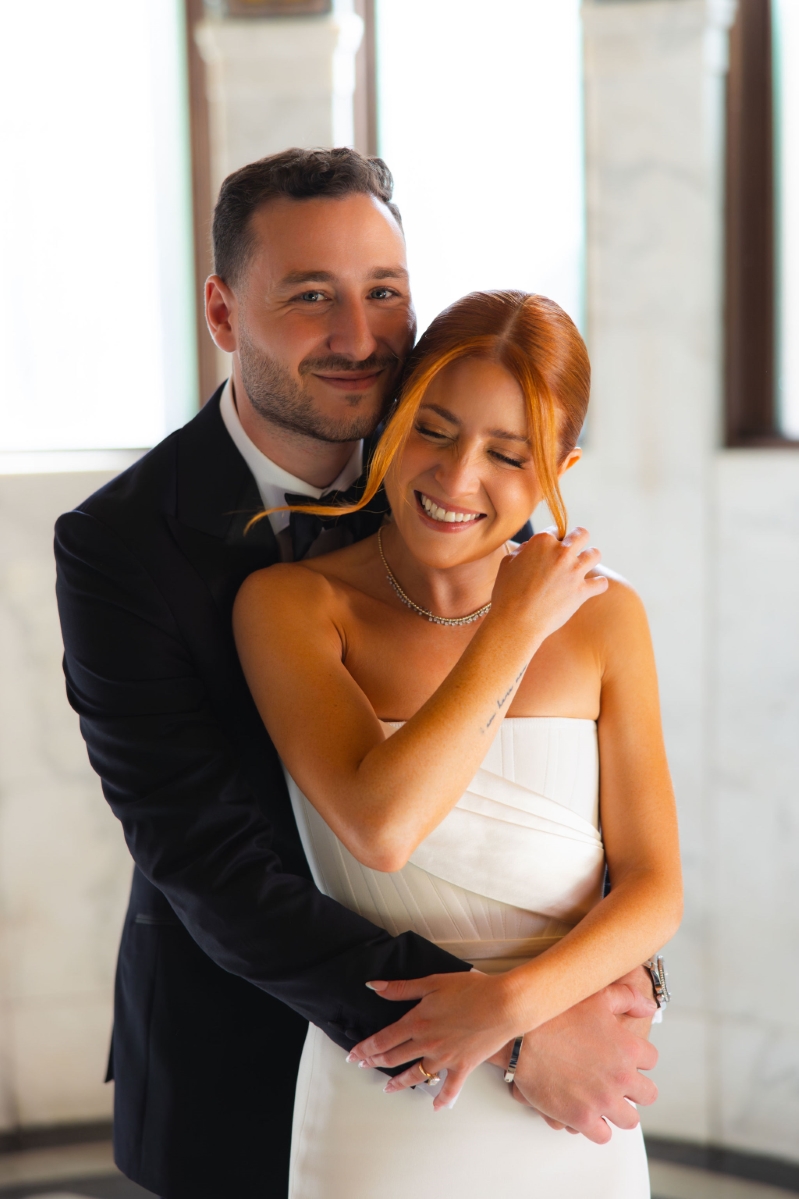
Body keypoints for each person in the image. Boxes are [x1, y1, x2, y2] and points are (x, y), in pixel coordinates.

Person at [55, 149, 663, 1199]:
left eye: (384, 293)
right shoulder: (120, 547)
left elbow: (596, 821)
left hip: (536, 1047)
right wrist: (499, 1027)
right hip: (244, 1044)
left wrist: (596, 986)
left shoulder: (450, 448)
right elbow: (210, 862)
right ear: (222, 310)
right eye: (310, 297)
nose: (359, 336)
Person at [233, 289, 682, 1197]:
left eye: (508, 454)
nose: (455, 476)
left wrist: (511, 1009)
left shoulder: (607, 621)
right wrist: (511, 629)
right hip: (388, 1095)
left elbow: (654, 884)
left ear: (559, 467)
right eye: (433, 430)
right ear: (392, 421)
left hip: (574, 1085)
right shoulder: (292, 606)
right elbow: (382, 827)